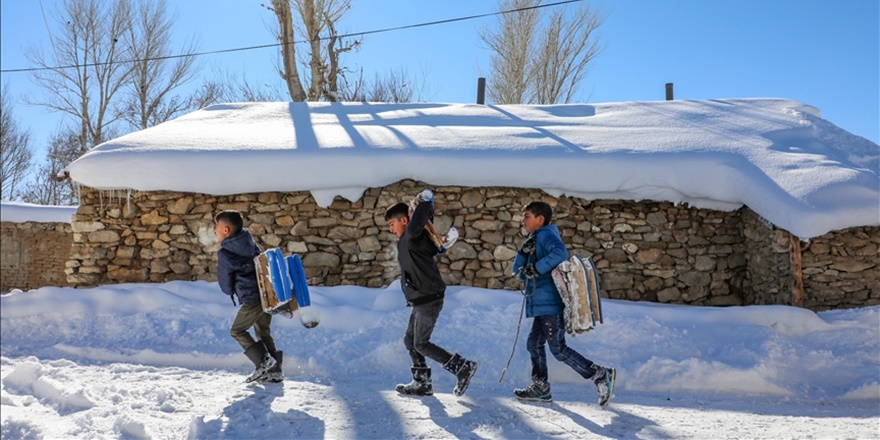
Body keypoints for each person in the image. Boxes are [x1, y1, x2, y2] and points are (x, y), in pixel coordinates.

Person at [511, 201, 616, 405]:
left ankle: (600, 374)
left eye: (527, 217)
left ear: (540, 220)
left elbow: (560, 253)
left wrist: (537, 268)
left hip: (550, 303)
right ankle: (541, 387)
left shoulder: (546, 235)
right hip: (541, 304)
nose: (523, 221)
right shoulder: (534, 239)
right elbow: (519, 272)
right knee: (534, 344)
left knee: (557, 349)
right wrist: (523, 254)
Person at [384, 189, 477, 397]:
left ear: (405, 220)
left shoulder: (411, 235)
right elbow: (432, 244)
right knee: (410, 341)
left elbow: (421, 217)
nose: (391, 229)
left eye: (392, 224)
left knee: (421, 343)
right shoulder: (412, 240)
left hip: (429, 298)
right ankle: (422, 383)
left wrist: (426, 200)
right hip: (420, 299)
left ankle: (462, 367)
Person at [215, 210, 282, 383]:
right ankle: (275, 372)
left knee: (237, 330)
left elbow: (225, 281)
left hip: (251, 297)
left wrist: (229, 291)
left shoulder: (225, 252)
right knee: (263, 332)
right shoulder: (250, 243)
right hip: (265, 294)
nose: (215, 230)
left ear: (226, 230)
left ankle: (264, 362)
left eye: (217, 227)